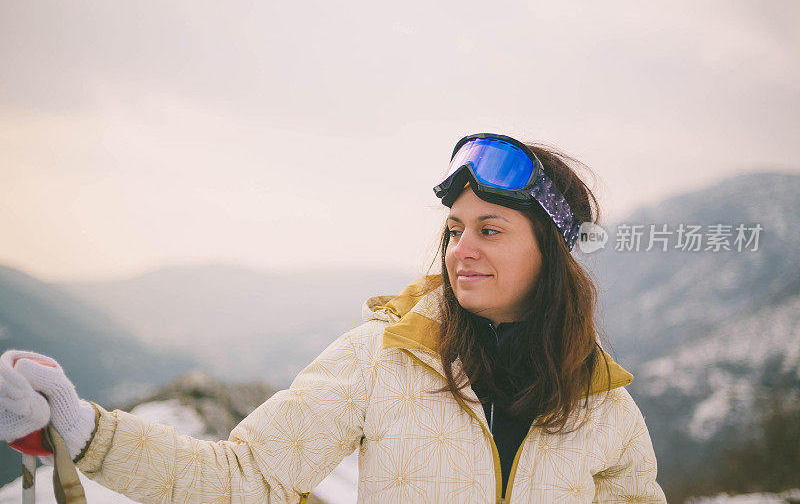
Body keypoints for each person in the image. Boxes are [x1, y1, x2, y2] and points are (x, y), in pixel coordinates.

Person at [0, 133, 667, 503]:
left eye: (490, 229)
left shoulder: (603, 409)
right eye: (456, 227)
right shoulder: (382, 360)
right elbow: (245, 478)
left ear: (550, 254)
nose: (461, 248)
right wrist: (84, 431)